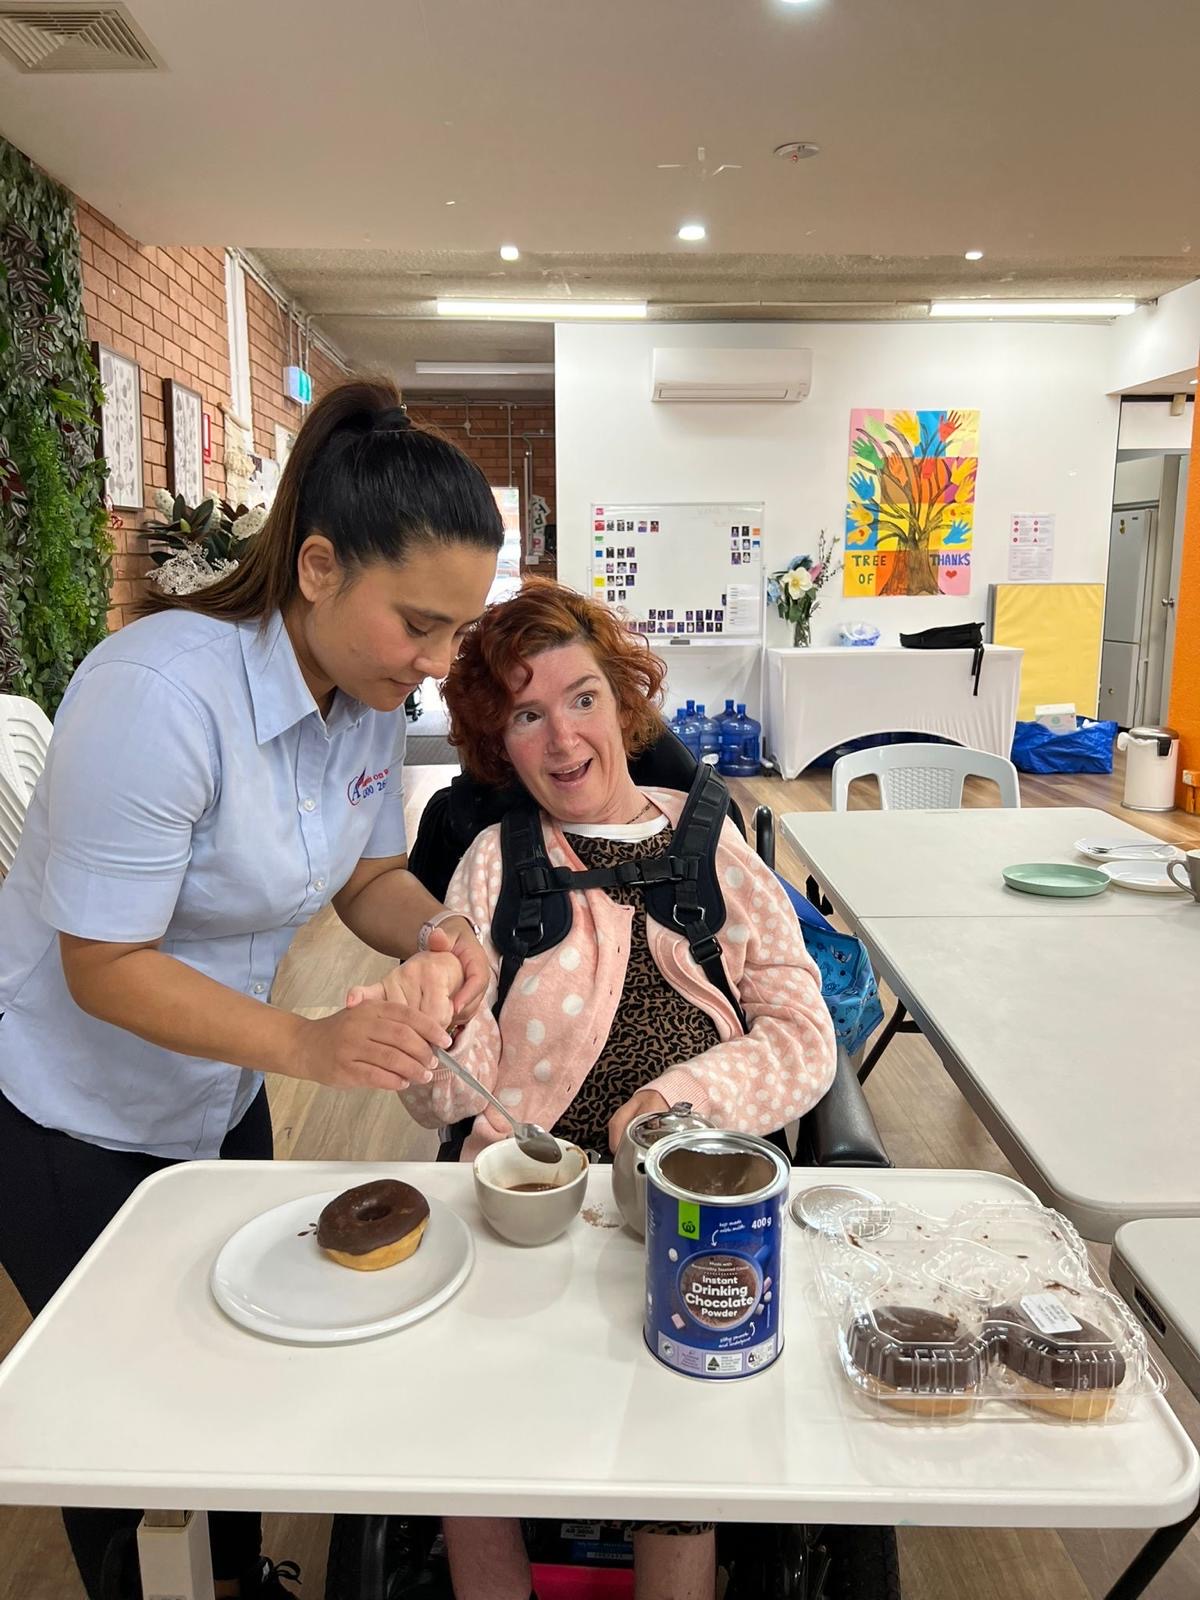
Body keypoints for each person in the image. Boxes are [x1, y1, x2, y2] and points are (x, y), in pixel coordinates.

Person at [0, 377, 503, 1600]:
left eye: (458, 633)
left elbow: (368, 872)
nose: (439, 666)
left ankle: (231, 1576)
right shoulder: (160, 693)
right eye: (421, 626)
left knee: (221, 1361)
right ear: (320, 567)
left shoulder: (364, 704)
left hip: (217, 1093)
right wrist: (313, 1045)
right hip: (73, 1112)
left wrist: (441, 927)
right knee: (128, 1424)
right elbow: (101, 963)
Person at [352, 578, 837, 1600]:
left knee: (687, 1429)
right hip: (528, 1208)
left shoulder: (720, 847)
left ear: (624, 703)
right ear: (500, 742)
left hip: (691, 1204)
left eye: (581, 698)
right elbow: (456, 1096)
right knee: (465, 1418)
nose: (562, 737)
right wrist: (425, 1039)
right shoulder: (492, 862)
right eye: (527, 713)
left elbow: (803, 1035)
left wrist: (679, 1109)